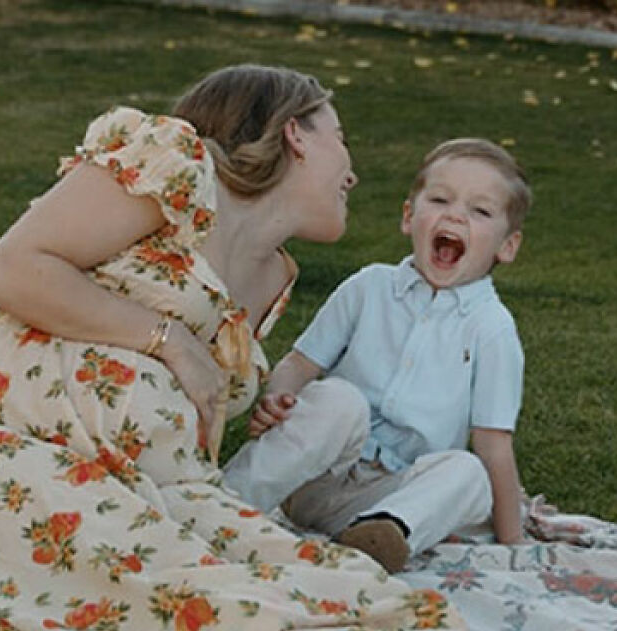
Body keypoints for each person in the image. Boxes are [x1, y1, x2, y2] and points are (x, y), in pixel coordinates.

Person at [0, 64, 617, 631]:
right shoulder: (172, 163)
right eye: (341, 137)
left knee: (307, 567)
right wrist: (170, 339)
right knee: (191, 596)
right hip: (0, 446)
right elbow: (8, 269)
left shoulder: (271, 278)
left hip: (151, 480)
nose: (354, 168)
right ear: (298, 134)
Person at [224, 138, 531, 575]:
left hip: (388, 494)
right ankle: (226, 500)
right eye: (440, 199)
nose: (456, 215)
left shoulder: (492, 329)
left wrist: (514, 544)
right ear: (409, 217)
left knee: (470, 474)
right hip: (315, 473)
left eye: (480, 211)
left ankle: (379, 539)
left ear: (507, 246)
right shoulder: (369, 288)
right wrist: (278, 399)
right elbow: (299, 364)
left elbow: (493, 445)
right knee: (340, 399)